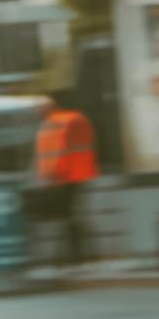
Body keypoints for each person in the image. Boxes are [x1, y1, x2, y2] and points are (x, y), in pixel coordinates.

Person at [28, 93, 97, 279]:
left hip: (63, 179)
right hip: (73, 177)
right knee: (70, 218)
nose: (37, 112)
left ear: (47, 107)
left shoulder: (55, 124)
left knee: (67, 219)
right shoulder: (63, 121)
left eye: (39, 108)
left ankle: (75, 259)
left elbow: (57, 155)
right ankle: (77, 258)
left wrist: (50, 179)